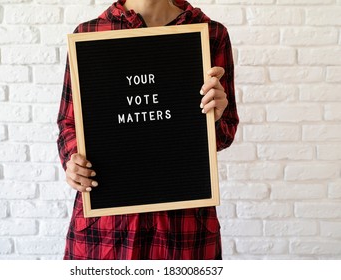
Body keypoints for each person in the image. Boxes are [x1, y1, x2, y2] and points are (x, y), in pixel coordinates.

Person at [57, 0, 239, 260]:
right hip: (107, 230)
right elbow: (68, 123)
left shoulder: (210, 34)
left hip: (183, 228)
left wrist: (217, 116)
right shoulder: (89, 35)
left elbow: (225, 133)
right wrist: (73, 161)